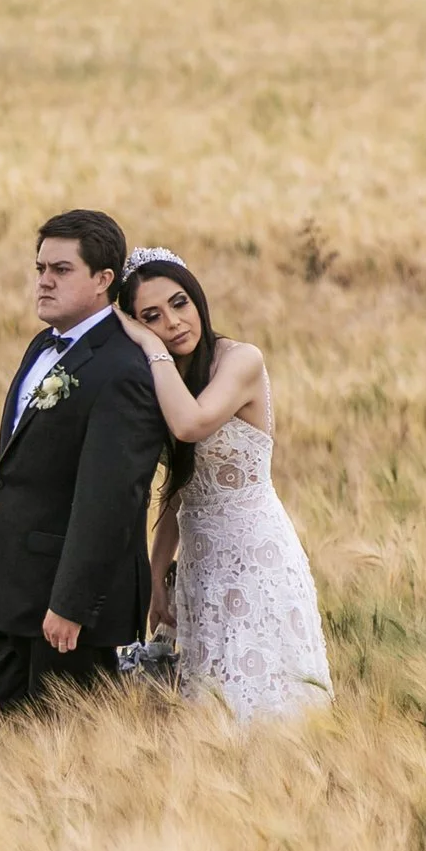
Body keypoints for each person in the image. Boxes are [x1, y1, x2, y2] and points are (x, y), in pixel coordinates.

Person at [114, 246, 332, 722]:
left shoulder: (241, 360)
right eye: (151, 317)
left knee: (260, 697)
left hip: (257, 556)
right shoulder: (170, 379)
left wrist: (148, 347)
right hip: (200, 564)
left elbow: (191, 426)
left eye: (179, 303)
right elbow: (177, 486)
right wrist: (156, 573)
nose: (172, 322)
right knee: (207, 704)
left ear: (196, 298)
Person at [0, 211, 168, 727]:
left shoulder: (123, 369)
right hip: (10, 597)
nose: (43, 280)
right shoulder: (42, 345)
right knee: (0, 758)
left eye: (61, 269)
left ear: (104, 280)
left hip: (67, 615)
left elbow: (111, 498)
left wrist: (72, 604)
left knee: (68, 767)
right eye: (40, 268)